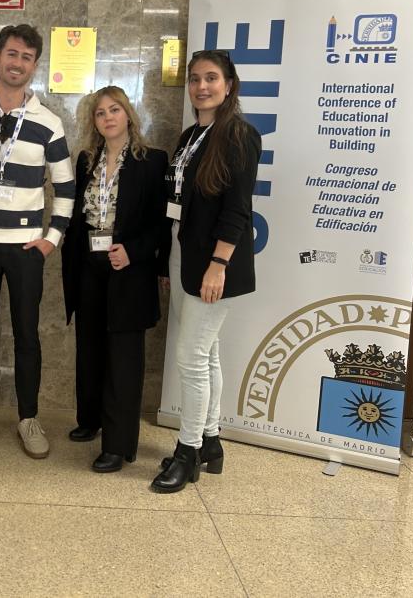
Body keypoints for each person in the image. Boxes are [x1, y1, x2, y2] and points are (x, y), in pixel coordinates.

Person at [0, 24, 75, 458]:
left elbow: (66, 187)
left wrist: (51, 239)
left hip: (27, 248)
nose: (17, 63)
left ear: (35, 65)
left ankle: (29, 418)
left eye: (26, 57)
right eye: (11, 53)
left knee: (28, 335)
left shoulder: (49, 123)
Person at [152, 50, 261, 493]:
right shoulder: (191, 135)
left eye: (211, 78)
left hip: (213, 263)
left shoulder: (239, 135)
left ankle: (188, 452)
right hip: (185, 255)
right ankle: (211, 441)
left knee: (191, 358)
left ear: (229, 85)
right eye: (195, 78)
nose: (202, 86)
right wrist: (168, 260)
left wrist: (218, 265)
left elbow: (238, 210)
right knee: (207, 352)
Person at [61, 86, 167, 472]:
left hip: (127, 268)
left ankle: (118, 446)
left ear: (128, 114)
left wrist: (134, 252)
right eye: (100, 112)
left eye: (115, 109)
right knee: (89, 346)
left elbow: (161, 224)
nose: (108, 117)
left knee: (123, 357)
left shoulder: (151, 161)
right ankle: (90, 419)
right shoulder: (86, 160)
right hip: (89, 263)